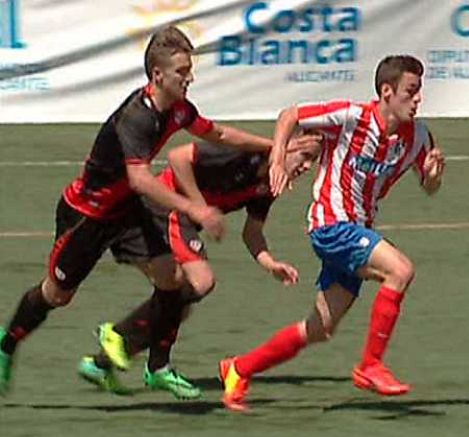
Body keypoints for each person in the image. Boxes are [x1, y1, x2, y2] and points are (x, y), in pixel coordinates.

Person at [0, 25, 290, 396]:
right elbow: (140, 179)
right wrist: (196, 209)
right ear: (158, 75)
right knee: (57, 295)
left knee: (173, 279)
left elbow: (218, 133)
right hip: (87, 216)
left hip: (127, 211)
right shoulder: (136, 117)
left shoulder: (179, 110)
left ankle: (157, 367)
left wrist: (274, 149)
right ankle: (7, 344)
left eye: (190, 70)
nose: (190, 78)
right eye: (182, 72)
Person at [217, 55, 446, 412]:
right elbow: (289, 115)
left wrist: (433, 176)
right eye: (411, 91)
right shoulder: (351, 117)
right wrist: (277, 159)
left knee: (319, 328)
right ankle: (370, 365)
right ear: (387, 92)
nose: (418, 99)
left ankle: (239, 368)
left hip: (358, 230)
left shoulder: (417, 136)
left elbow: (429, 187)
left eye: (419, 91)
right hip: (332, 226)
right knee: (400, 270)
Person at [76, 138, 321, 399]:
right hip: (161, 207)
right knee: (200, 282)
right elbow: (178, 157)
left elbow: (252, 233)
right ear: (286, 144)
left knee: (179, 305)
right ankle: (128, 344)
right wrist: (198, 207)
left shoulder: (270, 185)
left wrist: (270, 263)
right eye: (305, 155)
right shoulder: (239, 153)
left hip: (182, 218)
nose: (307, 166)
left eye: (313, 161)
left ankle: (104, 363)